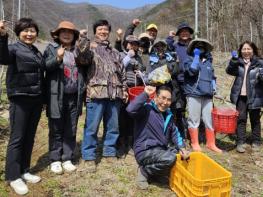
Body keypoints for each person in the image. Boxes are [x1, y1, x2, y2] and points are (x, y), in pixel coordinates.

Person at [0, 18, 45, 195]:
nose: (29, 34)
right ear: (19, 33)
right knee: (17, 137)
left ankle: (25, 170)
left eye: (32, 31)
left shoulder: (35, 51)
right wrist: (2, 36)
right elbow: (2, 58)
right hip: (20, 98)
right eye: (26, 31)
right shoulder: (13, 48)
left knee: (29, 136)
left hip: (35, 99)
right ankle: (13, 176)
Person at [44, 21, 91, 174]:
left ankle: (67, 158)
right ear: (57, 34)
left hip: (74, 96)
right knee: (56, 128)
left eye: (70, 32)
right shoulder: (51, 49)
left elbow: (87, 61)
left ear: (74, 35)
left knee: (71, 128)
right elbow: (46, 67)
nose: (66, 34)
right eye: (63, 31)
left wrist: (84, 40)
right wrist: (57, 58)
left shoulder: (77, 51)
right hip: (57, 95)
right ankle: (55, 159)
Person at [80, 19, 128, 172]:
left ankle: (109, 152)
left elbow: (122, 73)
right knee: (91, 127)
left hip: (115, 94)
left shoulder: (115, 52)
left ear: (109, 32)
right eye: (100, 29)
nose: (103, 32)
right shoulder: (90, 48)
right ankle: (88, 156)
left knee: (113, 127)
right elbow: (82, 59)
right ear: (95, 32)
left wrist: (125, 90)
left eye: (105, 29)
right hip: (96, 93)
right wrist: (83, 40)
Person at [126, 85, 189, 190]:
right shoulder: (146, 109)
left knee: (180, 156)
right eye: (163, 98)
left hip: (160, 150)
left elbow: (175, 133)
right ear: (155, 97)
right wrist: (145, 94)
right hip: (145, 150)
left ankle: (157, 174)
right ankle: (144, 172)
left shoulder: (168, 114)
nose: (165, 102)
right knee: (171, 158)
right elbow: (130, 109)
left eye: (168, 100)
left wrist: (182, 147)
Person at [184, 38, 222, 153]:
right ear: (193, 49)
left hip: (207, 95)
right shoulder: (189, 59)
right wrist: (196, 57)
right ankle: (194, 143)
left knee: (209, 119)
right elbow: (192, 71)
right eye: (197, 46)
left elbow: (212, 77)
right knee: (194, 119)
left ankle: (211, 143)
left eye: (202, 47)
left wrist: (214, 88)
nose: (200, 48)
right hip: (194, 93)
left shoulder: (208, 62)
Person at [226, 41, 263, 153]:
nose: (246, 51)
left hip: (255, 96)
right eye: (244, 49)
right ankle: (240, 142)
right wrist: (233, 61)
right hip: (240, 96)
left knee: (255, 120)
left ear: (253, 50)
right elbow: (229, 71)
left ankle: (256, 141)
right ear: (240, 51)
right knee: (241, 119)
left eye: (248, 49)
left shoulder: (260, 63)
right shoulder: (238, 62)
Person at [118, 35, 145, 156]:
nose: (133, 46)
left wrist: (141, 74)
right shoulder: (121, 54)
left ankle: (132, 141)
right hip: (123, 89)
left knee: (133, 116)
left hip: (135, 90)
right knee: (122, 116)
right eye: (130, 43)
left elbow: (143, 72)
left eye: (135, 44)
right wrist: (128, 56)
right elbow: (118, 68)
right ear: (125, 44)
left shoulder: (139, 58)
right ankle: (121, 142)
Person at [166, 22, 194, 139]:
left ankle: (193, 133)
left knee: (193, 107)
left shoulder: (194, 46)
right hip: (178, 80)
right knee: (179, 107)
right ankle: (180, 132)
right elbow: (168, 47)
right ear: (179, 34)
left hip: (192, 80)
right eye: (182, 31)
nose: (184, 33)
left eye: (186, 31)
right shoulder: (176, 46)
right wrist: (170, 38)